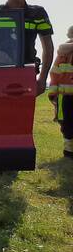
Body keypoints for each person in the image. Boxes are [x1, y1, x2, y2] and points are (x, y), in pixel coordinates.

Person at [48, 25, 73, 159]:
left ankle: (69, 152)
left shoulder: (62, 53)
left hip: (65, 96)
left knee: (66, 124)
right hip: (66, 96)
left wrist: (53, 95)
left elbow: (54, 74)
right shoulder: (63, 53)